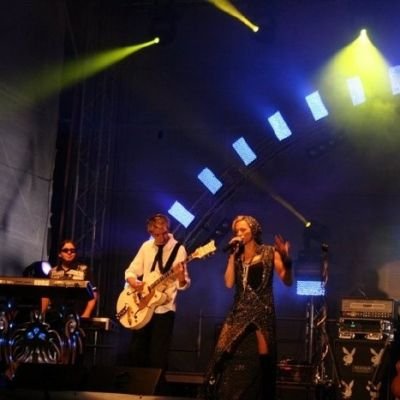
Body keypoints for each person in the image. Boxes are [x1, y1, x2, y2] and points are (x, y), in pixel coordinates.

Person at [204, 215, 293, 400]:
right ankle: (214, 392)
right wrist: (231, 255)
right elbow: (229, 283)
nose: (240, 233)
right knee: (221, 352)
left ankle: (263, 395)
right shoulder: (237, 257)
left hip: (262, 309)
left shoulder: (269, 252)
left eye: (243, 229)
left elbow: (287, 280)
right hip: (240, 309)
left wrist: (287, 260)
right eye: (237, 230)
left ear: (253, 230)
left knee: (264, 357)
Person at [124, 213, 190, 375]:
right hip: (142, 306)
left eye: (164, 233)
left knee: (158, 356)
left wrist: (181, 277)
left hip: (164, 309)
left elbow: (183, 285)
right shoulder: (146, 246)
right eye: (156, 234)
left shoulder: (179, 249)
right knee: (137, 352)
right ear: (151, 233)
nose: (161, 237)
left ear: (168, 229)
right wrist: (134, 282)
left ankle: (156, 388)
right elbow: (131, 270)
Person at [41, 239, 98, 319]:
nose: (69, 252)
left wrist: (86, 314)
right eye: (65, 250)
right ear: (59, 254)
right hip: (56, 317)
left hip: (78, 316)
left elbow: (94, 293)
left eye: (72, 250)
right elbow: (46, 295)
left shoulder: (84, 270)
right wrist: (42, 315)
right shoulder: (52, 272)